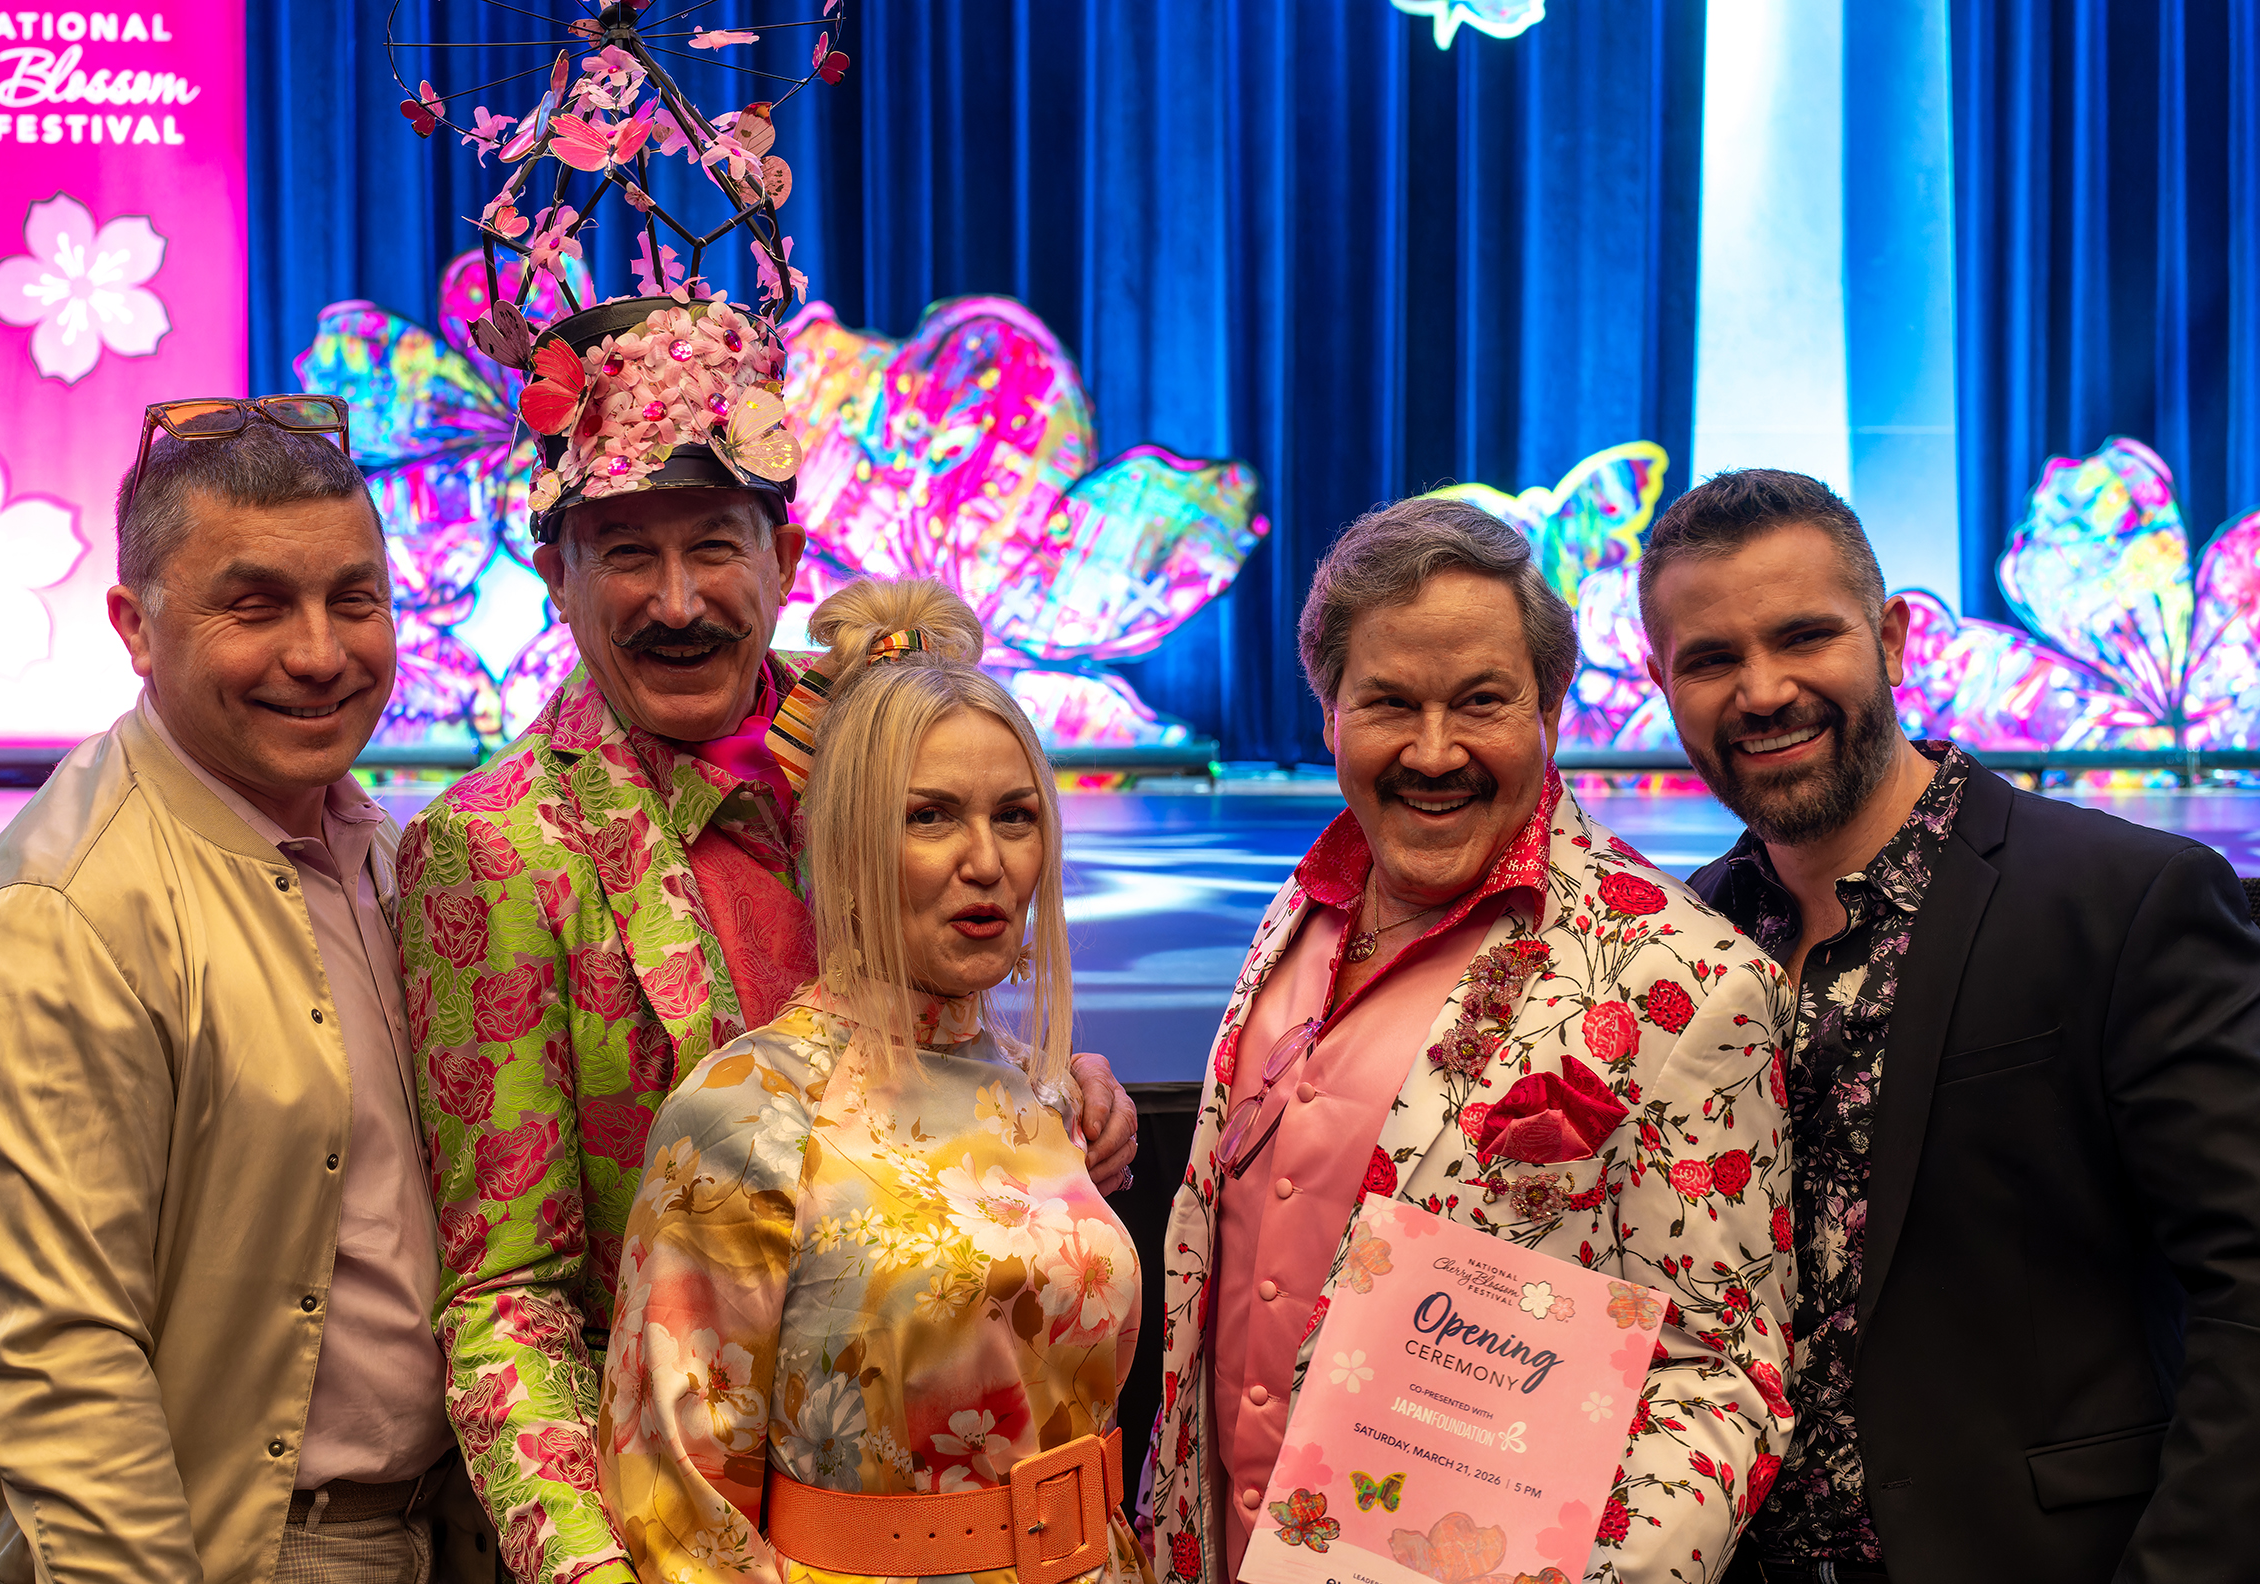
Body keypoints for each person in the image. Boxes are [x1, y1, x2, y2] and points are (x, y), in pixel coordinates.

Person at [398, 300, 1140, 1584]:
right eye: (625, 552)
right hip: (672, 1518)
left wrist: (1036, 1098)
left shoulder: (868, 757)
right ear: (554, 572)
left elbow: (910, 1049)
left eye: (715, 547)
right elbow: (504, 1296)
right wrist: (594, 1572)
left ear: (787, 555)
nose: (678, 601)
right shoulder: (501, 849)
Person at [1146, 497, 1797, 1584]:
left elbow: (1721, 1385)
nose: (1434, 751)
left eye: (1481, 703)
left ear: (1550, 706)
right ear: (1328, 716)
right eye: (1389, 703)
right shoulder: (1299, 911)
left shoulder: (1687, 978)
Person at [1636, 467, 2260, 1583]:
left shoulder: (2124, 901)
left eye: (1802, 638)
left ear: (1893, 635)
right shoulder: (1678, 946)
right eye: (1712, 659)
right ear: (1660, 680)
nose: (1763, 691)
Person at [0, 400, 488, 1584]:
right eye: (256, 606)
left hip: (428, 1531)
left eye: (354, 600)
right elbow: (64, 1388)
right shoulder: (56, 921)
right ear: (134, 623)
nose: (321, 653)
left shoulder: (376, 848)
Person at [595, 577, 1146, 1584]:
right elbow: (680, 1511)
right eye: (929, 816)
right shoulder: (746, 1115)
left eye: (1016, 816)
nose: (986, 860)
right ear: (845, 841)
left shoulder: (1045, 1096)